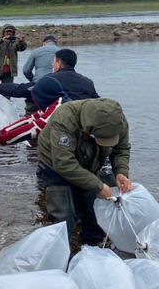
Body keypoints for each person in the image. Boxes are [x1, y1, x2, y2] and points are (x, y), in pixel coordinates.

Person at [36, 98, 133, 247]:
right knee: (63, 216)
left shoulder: (117, 121)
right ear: (89, 129)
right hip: (54, 165)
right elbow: (64, 163)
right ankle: (60, 254)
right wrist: (98, 186)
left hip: (88, 164)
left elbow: (121, 149)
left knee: (92, 209)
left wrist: (121, 172)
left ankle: (94, 245)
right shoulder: (65, 119)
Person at [0, 48, 99, 111]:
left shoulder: (50, 80)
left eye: (54, 61)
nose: (52, 64)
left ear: (59, 63)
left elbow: (22, 90)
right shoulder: (87, 82)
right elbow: (97, 101)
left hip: (59, 121)